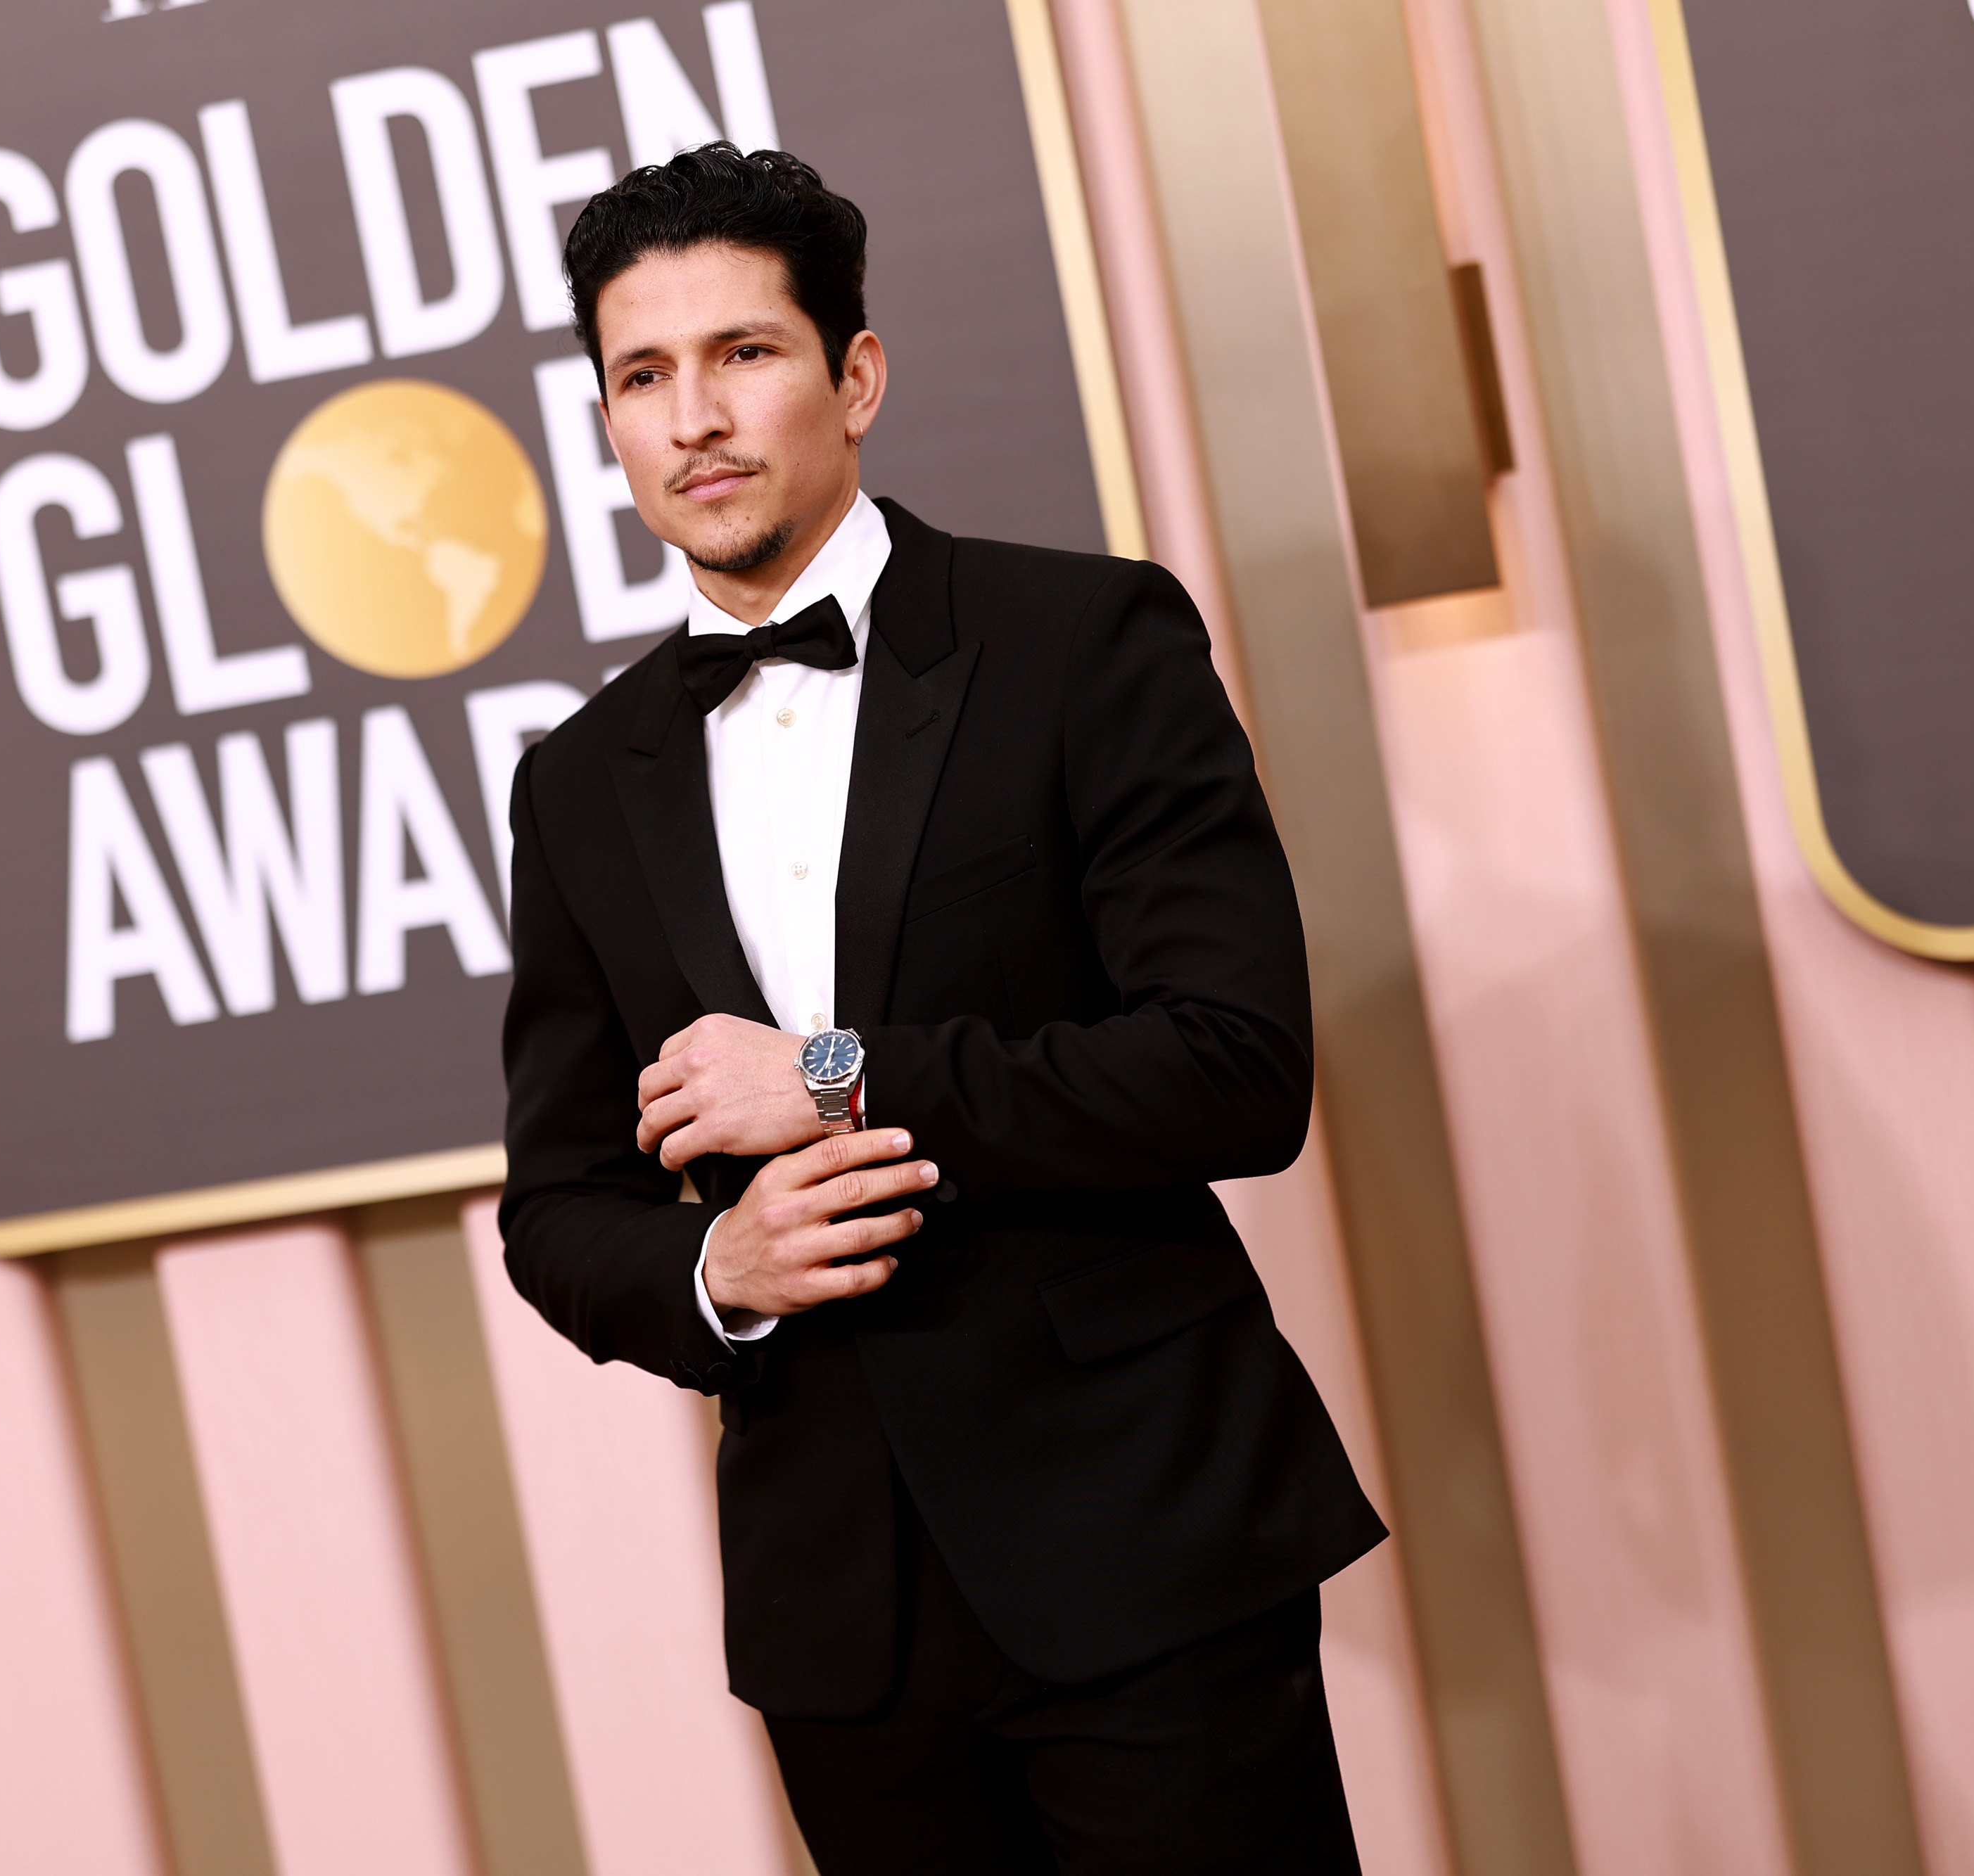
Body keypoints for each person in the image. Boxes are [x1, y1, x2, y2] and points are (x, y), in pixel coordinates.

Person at [498, 143, 1385, 1874]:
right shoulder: (578, 783)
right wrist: (712, 1275)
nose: (695, 417)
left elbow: (1232, 1067)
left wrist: (829, 1079)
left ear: (855, 375)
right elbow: (557, 1207)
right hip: (845, 1625)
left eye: (745, 354)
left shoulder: (1083, 640)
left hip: (1141, 1548)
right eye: (641, 374)